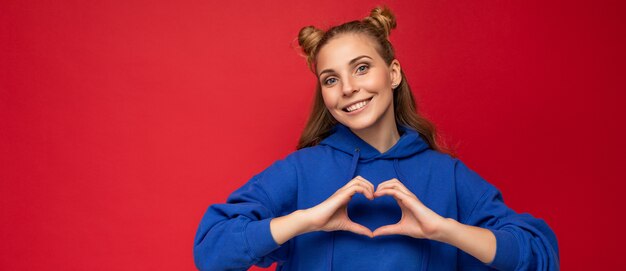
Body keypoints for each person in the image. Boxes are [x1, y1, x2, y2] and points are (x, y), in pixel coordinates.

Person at [193, 6, 559, 271]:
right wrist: (307, 220)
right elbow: (211, 251)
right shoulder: (300, 171)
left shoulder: (446, 174)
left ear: (393, 73)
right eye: (331, 79)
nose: (349, 88)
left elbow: (540, 256)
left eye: (362, 68)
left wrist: (445, 230)